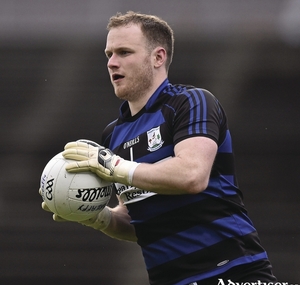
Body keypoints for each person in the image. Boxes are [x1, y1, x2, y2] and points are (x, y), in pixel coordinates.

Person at [41, 11, 277, 285]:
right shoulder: (113, 135)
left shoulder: (191, 102)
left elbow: (192, 175)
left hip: (233, 272)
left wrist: (116, 167)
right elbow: (137, 222)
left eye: (124, 52)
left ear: (158, 57)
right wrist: (95, 215)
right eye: (109, 54)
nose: (112, 63)